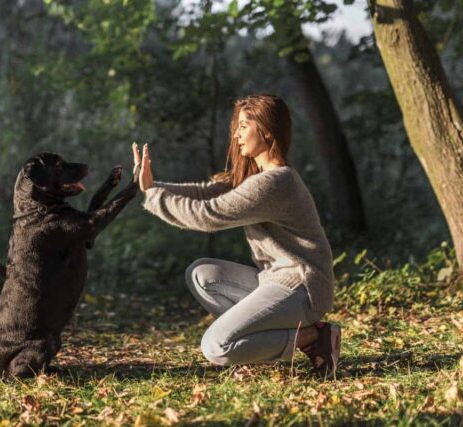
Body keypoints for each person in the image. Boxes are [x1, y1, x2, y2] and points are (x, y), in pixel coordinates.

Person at [131, 93, 340, 376]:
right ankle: (276, 338)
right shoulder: (260, 177)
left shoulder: (276, 183)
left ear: (266, 130)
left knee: (217, 346)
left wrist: (154, 196)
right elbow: (206, 192)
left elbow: (207, 215)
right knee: (202, 275)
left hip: (303, 288)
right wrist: (153, 186)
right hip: (276, 281)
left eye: (244, 126)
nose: (237, 136)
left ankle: (310, 338)